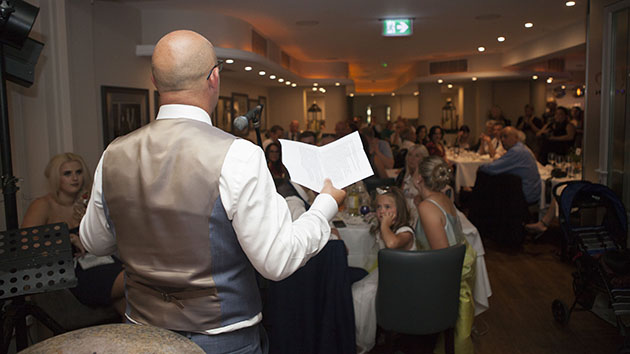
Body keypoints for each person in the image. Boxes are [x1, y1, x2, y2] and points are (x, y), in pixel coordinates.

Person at [78, 30, 345, 353]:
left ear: (154, 81)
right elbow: (277, 260)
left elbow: (93, 241)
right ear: (214, 77)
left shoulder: (113, 154)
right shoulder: (238, 155)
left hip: (143, 336)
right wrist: (325, 205)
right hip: (221, 340)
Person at [21, 153, 125, 316]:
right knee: (135, 281)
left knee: (130, 291)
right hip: (75, 271)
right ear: (56, 178)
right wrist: (66, 240)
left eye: (79, 172)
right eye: (67, 174)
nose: (75, 178)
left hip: (102, 261)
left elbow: (106, 238)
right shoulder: (43, 205)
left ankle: (143, 337)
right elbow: (25, 245)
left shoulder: (87, 202)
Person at [412, 155, 475, 354]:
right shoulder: (442, 198)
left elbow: (442, 258)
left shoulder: (427, 207)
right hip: (456, 267)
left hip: (444, 279)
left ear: (419, 178)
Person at [352, 186, 415, 354]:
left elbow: (392, 243)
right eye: (379, 207)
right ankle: (363, 334)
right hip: (386, 274)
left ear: (399, 209)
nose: (382, 212)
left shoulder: (405, 232)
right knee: (356, 290)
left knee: (362, 295)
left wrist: (385, 225)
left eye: (388, 207)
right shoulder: (385, 229)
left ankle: (364, 343)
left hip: (404, 279)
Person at [478, 127, 541, 206]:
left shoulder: (516, 151)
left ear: (516, 138)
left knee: (484, 177)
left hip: (526, 194)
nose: (502, 140)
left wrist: (480, 167)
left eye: (505, 136)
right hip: (530, 192)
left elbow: (491, 168)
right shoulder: (521, 149)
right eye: (501, 137)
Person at [395, 144, 429, 225]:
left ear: (423, 159)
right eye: (410, 155)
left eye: (416, 156)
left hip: (420, 215)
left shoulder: (426, 177)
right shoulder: (403, 174)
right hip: (403, 212)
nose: (411, 159)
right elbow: (396, 194)